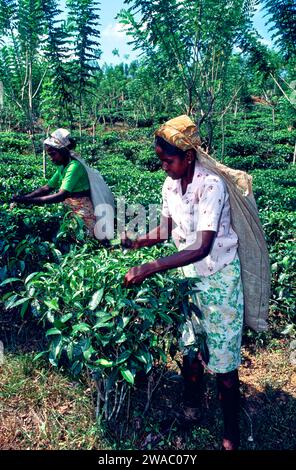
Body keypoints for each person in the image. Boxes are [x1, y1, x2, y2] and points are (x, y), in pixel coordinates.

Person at [121, 115, 270, 450]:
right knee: (190, 350)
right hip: (189, 279)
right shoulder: (171, 184)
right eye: (160, 160)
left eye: (168, 160)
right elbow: (165, 230)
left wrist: (151, 266)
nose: (163, 167)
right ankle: (192, 410)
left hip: (219, 279)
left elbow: (202, 246)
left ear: (188, 156)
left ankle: (230, 433)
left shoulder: (211, 185)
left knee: (224, 363)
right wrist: (135, 243)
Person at [11, 128, 114, 239]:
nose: (51, 158)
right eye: (49, 155)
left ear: (63, 152)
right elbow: (47, 188)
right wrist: (24, 198)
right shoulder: (62, 167)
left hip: (82, 210)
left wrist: (29, 201)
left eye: (53, 154)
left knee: (85, 240)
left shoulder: (74, 167)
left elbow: (61, 195)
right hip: (69, 209)